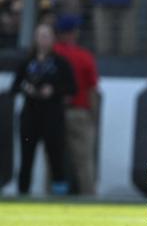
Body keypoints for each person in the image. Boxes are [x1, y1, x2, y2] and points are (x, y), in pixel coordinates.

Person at [10, 23, 76, 195]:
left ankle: (60, 194)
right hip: (30, 116)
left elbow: (72, 88)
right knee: (26, 157)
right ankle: (23, 192)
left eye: (46, 35)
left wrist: (53, 91)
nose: (43, 39)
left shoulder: (60, 63)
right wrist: (27, 88)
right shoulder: (27, 62)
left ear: (53, 38)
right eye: (40, 35)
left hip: (52, 117)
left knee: (56, 157)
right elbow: (15, 87)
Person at [53, 15, 99, 195]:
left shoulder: (53, 54)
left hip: (55, 112)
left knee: (53, 158)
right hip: (80, 112)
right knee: (84, 161)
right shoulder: (84, 56)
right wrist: (92, 115)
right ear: (73, 33)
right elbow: (92, 90)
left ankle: (49, 195)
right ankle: (89, 196)